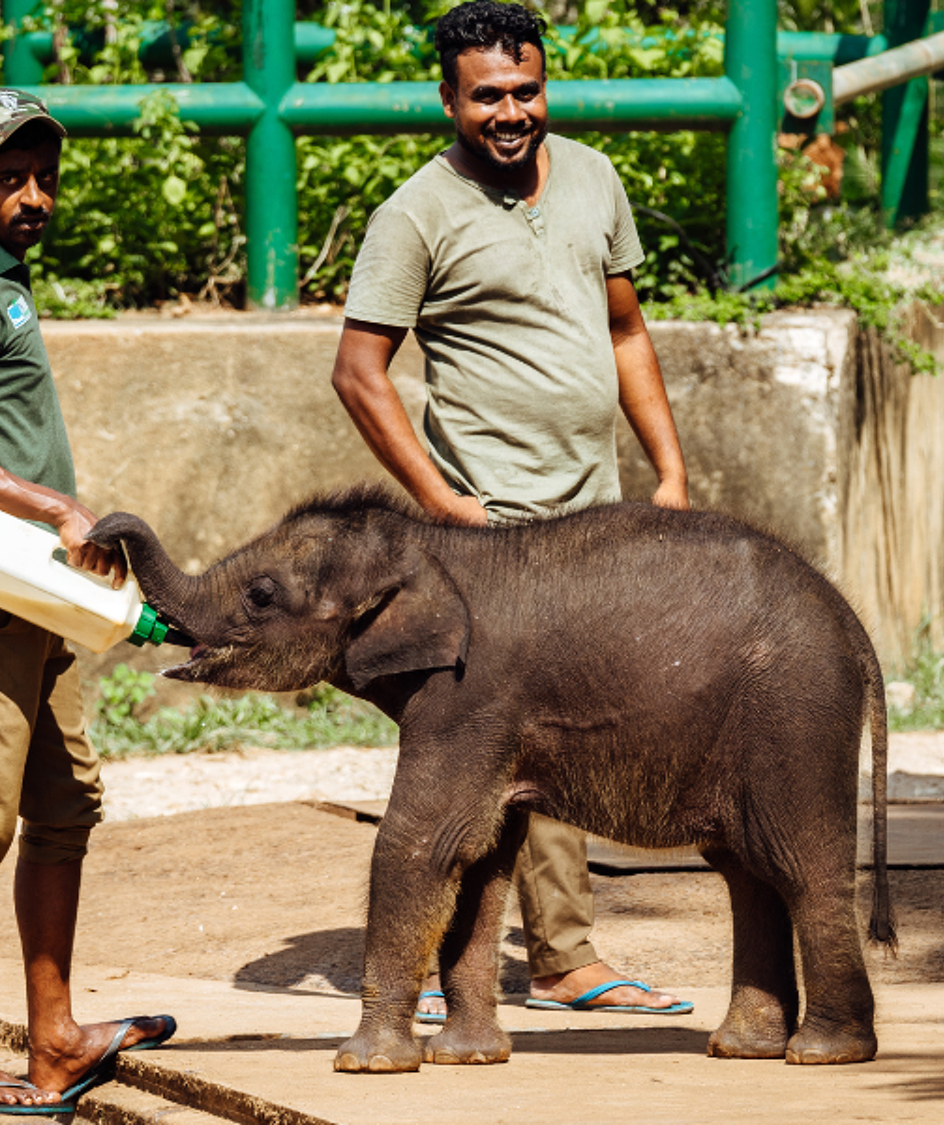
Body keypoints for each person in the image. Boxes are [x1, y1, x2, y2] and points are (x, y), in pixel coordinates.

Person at [329, 1, 693, 1018]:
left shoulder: (591, 177)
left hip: (595, 512)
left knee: (578, 728)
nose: (509, 111)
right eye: (485, 95)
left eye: (525, 90)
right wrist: (446, 502)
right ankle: (519, 963)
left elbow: (624, 331)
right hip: (491, 530)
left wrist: (664, 470)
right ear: (448, 99)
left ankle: (542, 958)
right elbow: (359, 374)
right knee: (493, 741)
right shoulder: (414, 214)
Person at [0, 87, 174, 1113]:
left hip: (31, 589)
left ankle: (53, 1038)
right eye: (7, 178)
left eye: (43, 178)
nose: (31, 197)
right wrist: (55, 504)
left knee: (63, 804)